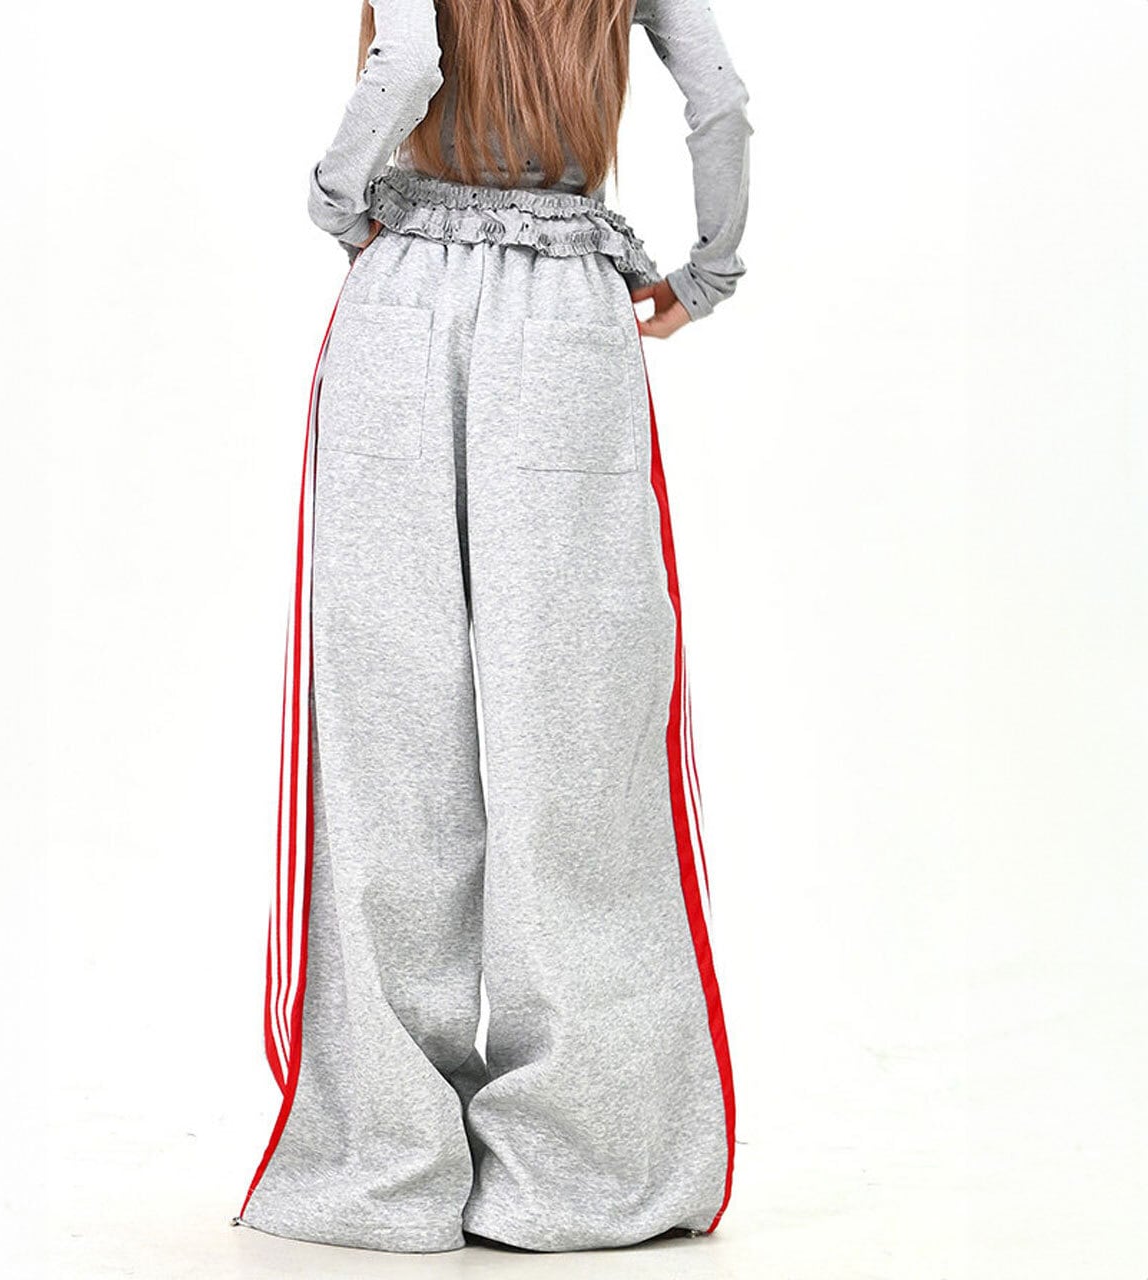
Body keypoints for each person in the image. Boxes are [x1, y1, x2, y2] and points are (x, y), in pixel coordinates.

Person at [231, 0, 752, 1255]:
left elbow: (408, 59)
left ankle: (387, 1166)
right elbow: (719, 102)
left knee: (388, 736)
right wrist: (707, 271)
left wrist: (338, 199)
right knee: (574, 745)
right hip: (569, 319)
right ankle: (584, 1171)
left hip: (400, 302)